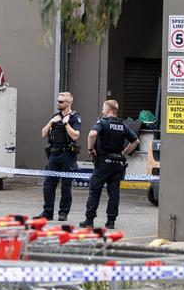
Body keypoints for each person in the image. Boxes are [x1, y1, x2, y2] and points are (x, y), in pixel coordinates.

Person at [80, 100, 139, 229]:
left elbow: (92, 134)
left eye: (103, 109)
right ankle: (111, 221)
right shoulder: (122, 125)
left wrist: (90, 150)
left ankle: (89, 220)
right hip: (117, 163)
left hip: (103, 162)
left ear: (108, 110)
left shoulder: (102, 123)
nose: (102, 111)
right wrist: (123, 153)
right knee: (114, 193)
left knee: (95, 190)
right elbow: (136, 141)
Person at [35, 92, 81, 221]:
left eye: (61, 102)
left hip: (68, 154)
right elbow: (43, 134)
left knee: (66, 186)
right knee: (48, 184)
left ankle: (63, 213)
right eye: (58, 101)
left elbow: (76, 136)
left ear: (68, 103)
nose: (58, 103)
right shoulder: (55, 117)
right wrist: (50, 122)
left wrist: (66, 124)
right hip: (54, 154)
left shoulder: (74, 117)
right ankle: (47, 212)